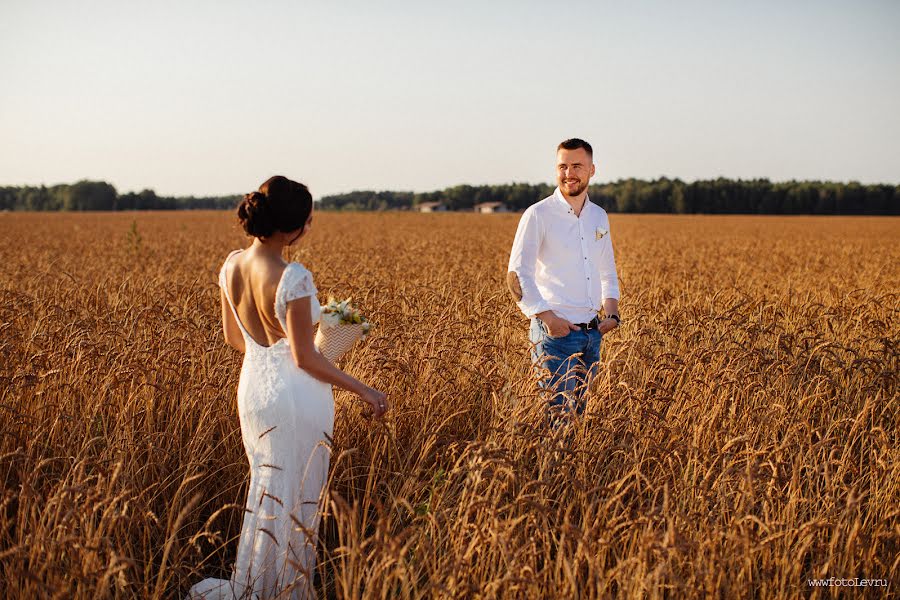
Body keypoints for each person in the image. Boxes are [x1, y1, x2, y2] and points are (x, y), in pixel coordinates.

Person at [189, 175, 388, 599]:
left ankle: (258, 586)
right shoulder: (294, 276)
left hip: (254, 391)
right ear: (292, 228)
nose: (310, 227)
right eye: (309, 221)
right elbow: (304, 357)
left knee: (266, 486)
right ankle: (285, 589)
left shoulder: (231, 265)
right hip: (296, 396)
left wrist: (270, 354)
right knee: (297, 493)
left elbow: (233, 337)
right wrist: (364, 389)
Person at [507, 138, 620, 426]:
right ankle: (548, 470)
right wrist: (548, 318)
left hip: (592, 335)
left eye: (577, 166)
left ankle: (572, 472)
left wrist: (612, 314)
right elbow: (516, 276)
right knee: (557, 420)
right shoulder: (538, 214)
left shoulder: (599, 216)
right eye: (563, 166)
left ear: (592, 170)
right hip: (555, 335)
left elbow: (607, 270)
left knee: (580, 420)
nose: (569, 173)